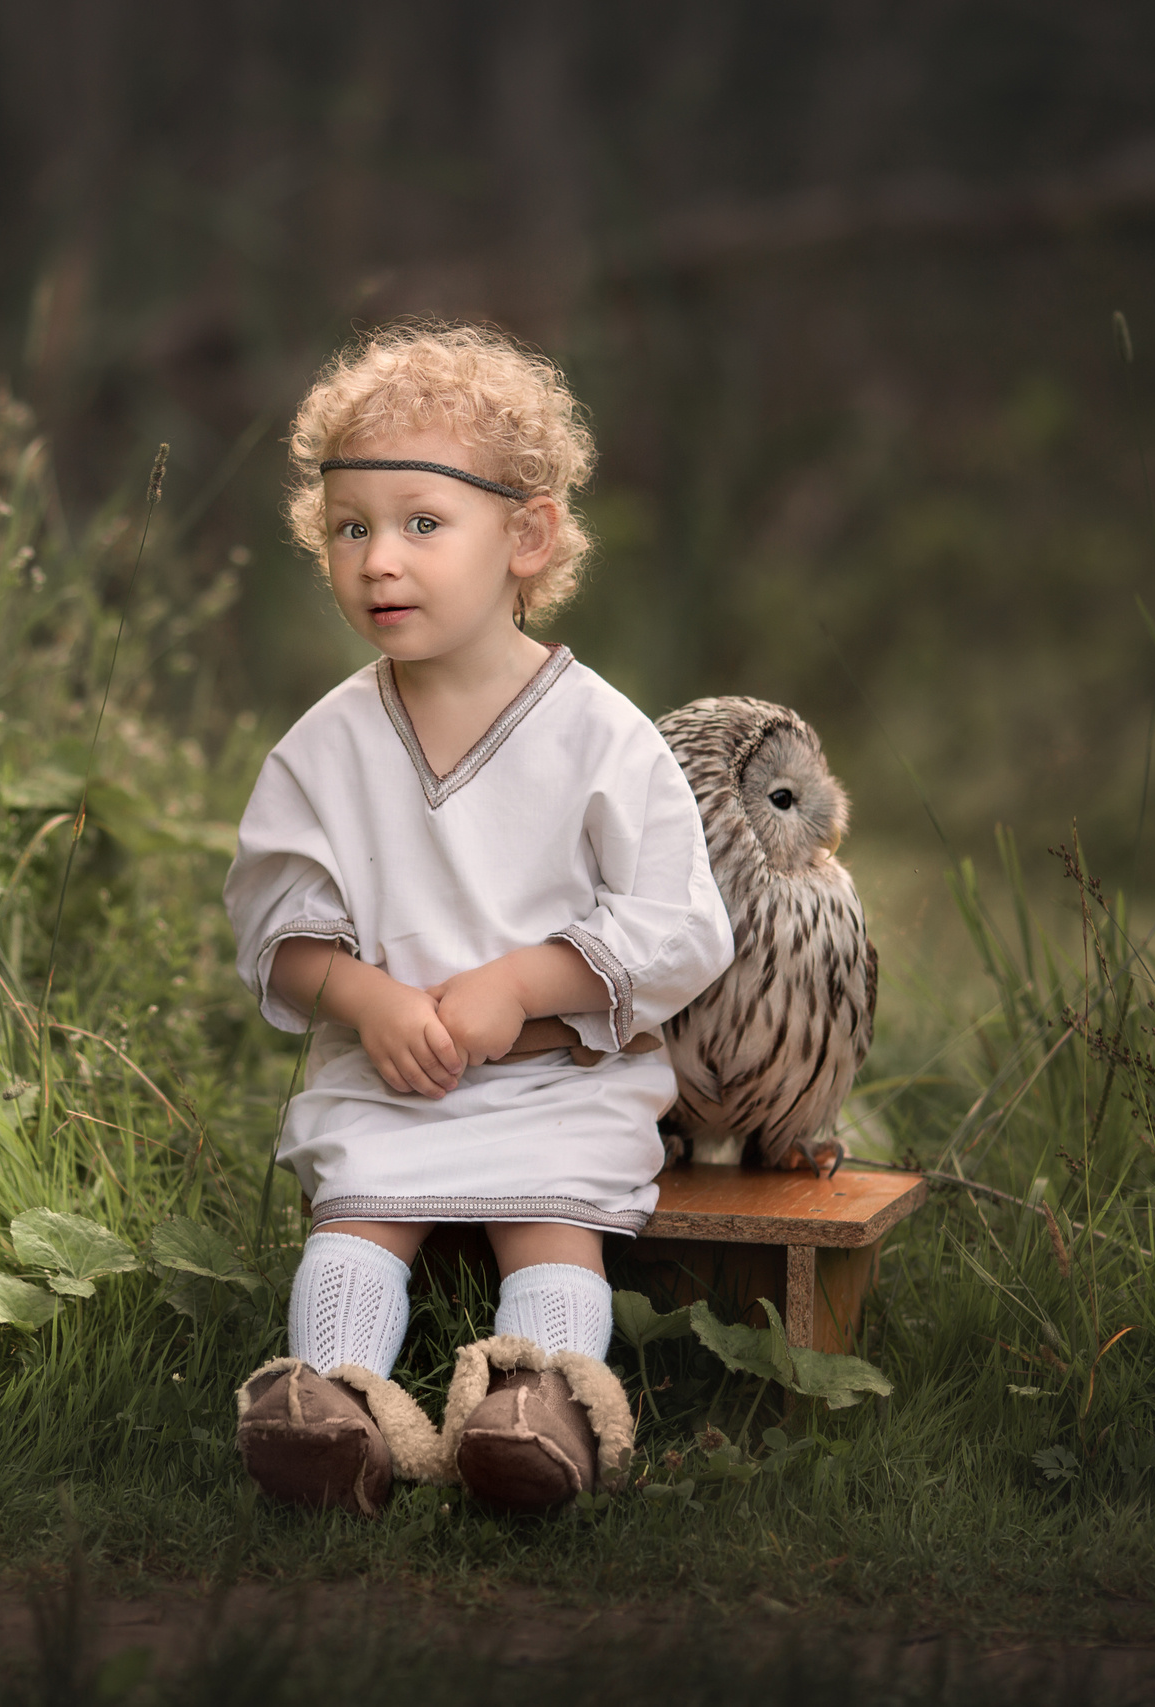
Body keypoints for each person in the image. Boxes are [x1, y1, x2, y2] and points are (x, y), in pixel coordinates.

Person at [223, 322, 735, 1516]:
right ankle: (332, 1406)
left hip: (563, 1070)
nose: (378, 561)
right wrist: (364, 998)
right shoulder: (327, 746)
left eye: (420, 523)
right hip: (394, 1071)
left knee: (549, 1222)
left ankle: (540, 1406)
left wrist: (526, 981)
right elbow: (277, 922)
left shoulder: (604, 738)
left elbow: (677, 923)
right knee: (356, 1214)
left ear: (527, 535)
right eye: (349, 528)